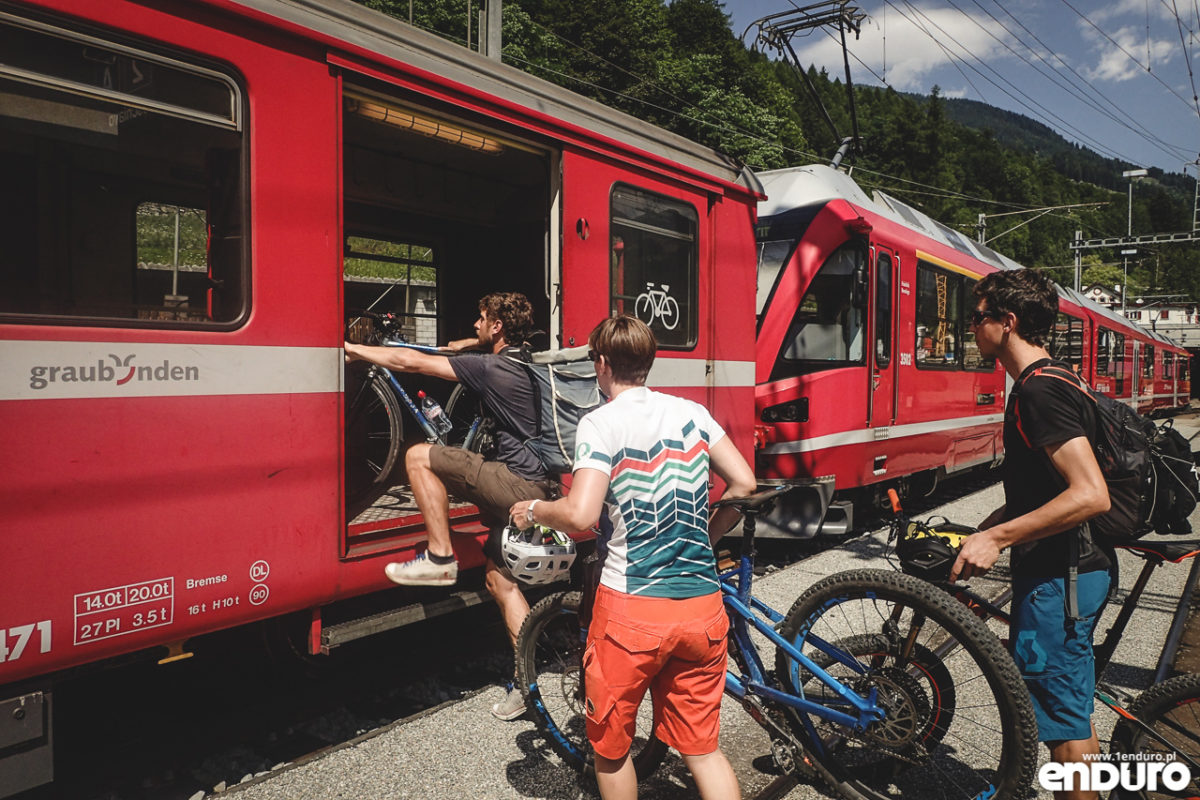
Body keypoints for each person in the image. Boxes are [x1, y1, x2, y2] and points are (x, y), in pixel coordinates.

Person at [510, 315, 756, 800]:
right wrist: (706, 535)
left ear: (601, 364)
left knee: (613, 750)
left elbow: (581, 513)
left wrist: (534, 509)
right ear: (649, 362)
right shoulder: (693, 414)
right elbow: (745, 483)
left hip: (633, 613)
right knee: (703, 751)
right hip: (702, 610)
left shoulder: (600, 423)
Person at [344, 291, 556, 721]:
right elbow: (479, 345)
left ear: (497, 326)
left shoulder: (492, 368)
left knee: (418, 455)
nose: (476, 325)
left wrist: (352, 348)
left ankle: (440, 556)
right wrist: (469, 343)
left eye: (481, 319)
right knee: (500, 581)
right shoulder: (524, 358)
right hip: (541, 485)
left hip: (515, 484)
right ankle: (526, 681)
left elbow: (411, 363)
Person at [950, 269, 1112, 800]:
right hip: (1068, 572)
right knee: (1067, 712)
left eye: (978, 318)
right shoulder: (1057, 380)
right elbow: (1048, 487)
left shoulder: (1040, 392)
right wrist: (994, 523)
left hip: (1061, 577)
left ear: (1008, 322)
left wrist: (998, 540)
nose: (972, 329)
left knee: (1065, 732)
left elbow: (1090, 494)